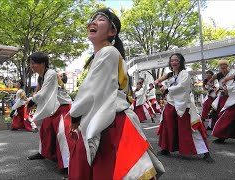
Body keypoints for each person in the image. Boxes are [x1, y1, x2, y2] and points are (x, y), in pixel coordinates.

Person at [68, 8, 165, 180]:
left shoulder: (108, 52)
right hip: (110, 119)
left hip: (108, 123)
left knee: (106, 168)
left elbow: (91, 89)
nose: (94, 22)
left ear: (112, 31)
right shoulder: (106, 54)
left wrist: (75, 115)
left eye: (101, 19)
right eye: (93, 19)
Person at [154, 53, 214, 163]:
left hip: (184, 105)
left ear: (181, 62)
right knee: (168, 126)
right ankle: (166, 149)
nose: (174, 62)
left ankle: (205, 152)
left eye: (176, 60)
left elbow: (182, 86)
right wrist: (158, 83)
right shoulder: (170, 74)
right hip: (171, 104)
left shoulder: (184, 73)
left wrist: (167, 89)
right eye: (172, 60)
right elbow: (157, 81)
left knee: (191, 128)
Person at [26, 52, 73, 174]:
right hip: (51, 106)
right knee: (45, 130)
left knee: (62, 134)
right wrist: (33, 98)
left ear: (42, 64)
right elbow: (38, 91)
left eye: (33, 63)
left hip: (62, 106)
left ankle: (68, 165)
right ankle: (43, 152)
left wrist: (32, 101)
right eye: (30, 63)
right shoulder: (41, 76)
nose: (31, 66)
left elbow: (44, 92)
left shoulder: (51, 74)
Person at [212, 58, 235, 143]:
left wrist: (229, 88)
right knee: (226, 116)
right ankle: (221, 137)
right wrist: (221, 87)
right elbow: (224, 81)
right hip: (234, 101)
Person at [208, 60, 233, 129]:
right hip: (222, 94)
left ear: (227, 67)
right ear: (219, 67)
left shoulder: (232, 74)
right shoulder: (218, 75)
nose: (223, 67)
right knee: (218, 110)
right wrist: (214, 87)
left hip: (232, 93)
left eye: (224, 66)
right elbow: (209, 82)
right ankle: (217, 126)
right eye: (221, 66)